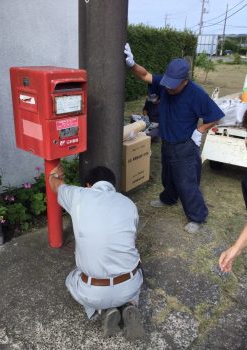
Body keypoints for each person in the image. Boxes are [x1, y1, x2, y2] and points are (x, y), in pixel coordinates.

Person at [124, 43, 225, 234]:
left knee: (186, 182)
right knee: (168, 175)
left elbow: (215, 116)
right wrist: (131, 64)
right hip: (168, 141)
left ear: (185, 80)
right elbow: (145, 75)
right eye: (167, 83)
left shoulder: (196, 94)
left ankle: (197, 216)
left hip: (185, 145)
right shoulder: (166, 82)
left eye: (173, 85)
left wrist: (199, 131)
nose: (168, 88)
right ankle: (168, 198)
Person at [49, 165, 145, 340]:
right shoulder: (128, 204)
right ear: (112, 186)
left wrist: (57, 173)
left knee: (71, 278)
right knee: (131, 263)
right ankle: (129, 304)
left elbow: (54, 184)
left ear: (88, 185)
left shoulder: (78, 195)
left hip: (94, 291)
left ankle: (104, 310)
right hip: (130, 284)